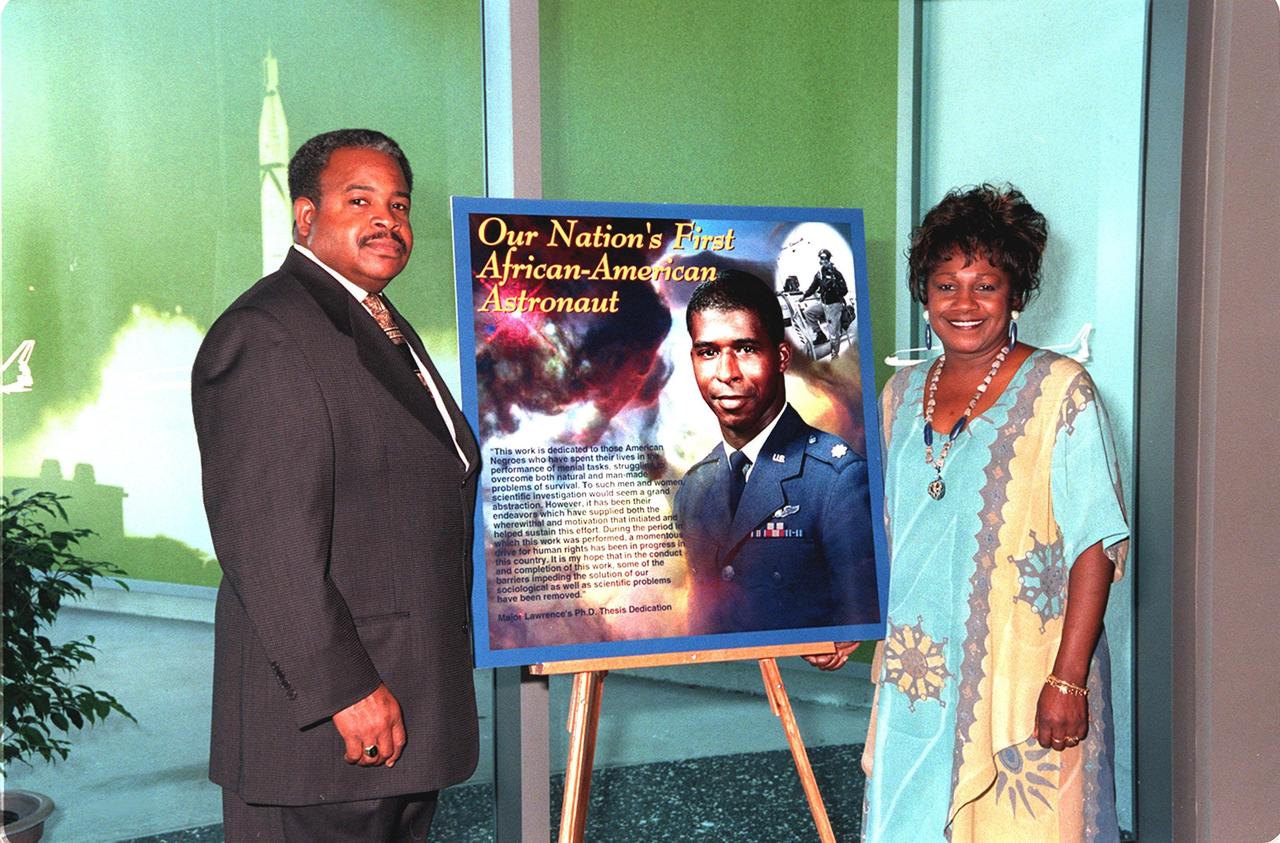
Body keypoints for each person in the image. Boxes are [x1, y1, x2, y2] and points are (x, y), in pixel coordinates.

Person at [192, 129, 481, 842]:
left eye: (399, 203)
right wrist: (345, 689)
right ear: (305, 216)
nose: (388, 220)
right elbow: (267, 541)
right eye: (360, 199)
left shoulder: (373, 322)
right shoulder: (269, 332)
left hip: (397, 715)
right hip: (327, 732)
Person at [858, 184, 1129, 841]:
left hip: (1026, 681)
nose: (964, 303)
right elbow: (884, 533)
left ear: (1018, 292)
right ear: (925, 294)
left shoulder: (1062, 391)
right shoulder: (899, 395)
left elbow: (1096, 544)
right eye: (946, 283)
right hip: (918, 680)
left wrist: (1068, 680)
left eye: (986, 284)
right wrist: (845, 622)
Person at [673, 270, 878, 637]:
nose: (726, 373)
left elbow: (858, 621)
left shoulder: (838, 479)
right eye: (708, 352)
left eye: (746, 349)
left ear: (782, 356)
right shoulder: (694, 486)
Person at [802, 248, 850, 357]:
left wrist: (834, 284)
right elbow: (813, 287)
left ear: (828, 259)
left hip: (834, 305)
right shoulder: (819, 274)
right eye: (820, 259)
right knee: (808, 312)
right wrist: (804, 296)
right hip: (823, 303)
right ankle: (820, 334)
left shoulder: (836, 274)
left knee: (833, 334)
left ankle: (834, 355)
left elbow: (844, 290)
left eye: (824, 258)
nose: (822, 261)